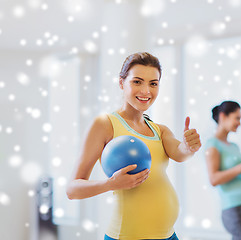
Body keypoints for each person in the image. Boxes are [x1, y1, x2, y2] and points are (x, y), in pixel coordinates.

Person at [66, 52, 201, 240]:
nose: (146, 91)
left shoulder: (159, 130)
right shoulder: (104, 124)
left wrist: (189, 146)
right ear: (121, 83)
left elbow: (180, 154)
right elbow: (72, 190)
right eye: (137, 82)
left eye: (153, 83)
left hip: (169, 235)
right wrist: (110, 184)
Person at [205, 101, 241, 240]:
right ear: (223, 116)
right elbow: (214, 179)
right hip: (235, 209)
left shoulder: (234, 146)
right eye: (237, 118)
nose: (239, 123)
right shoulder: (213, 145)